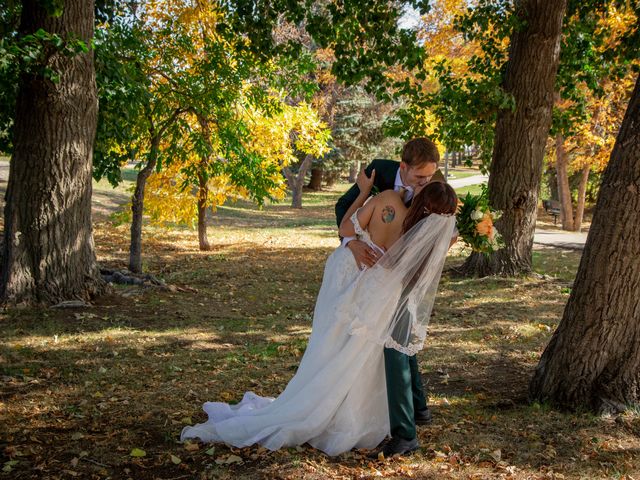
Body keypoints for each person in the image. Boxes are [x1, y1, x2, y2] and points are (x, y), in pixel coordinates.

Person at [181, 177, 458, 457]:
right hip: (385, 297)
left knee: (347, 353)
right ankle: (367, 415)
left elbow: (349, 228)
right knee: (361, 359)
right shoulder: (430, 236)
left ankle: (361, 413)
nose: (419, 185)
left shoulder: (396, 211)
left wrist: (358, 224)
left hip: (371, 290)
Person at [336, 137, 446, 457]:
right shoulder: (378, 175)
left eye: (431, 177)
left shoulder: (434, 186)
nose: (426, 183)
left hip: (407, 270)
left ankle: (411, 421)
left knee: (399, 339)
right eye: (419, 177)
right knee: (397, 339)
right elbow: (343, 210)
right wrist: (352, 244)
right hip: (374, 265)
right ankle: (415, 412)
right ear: (403, 167)